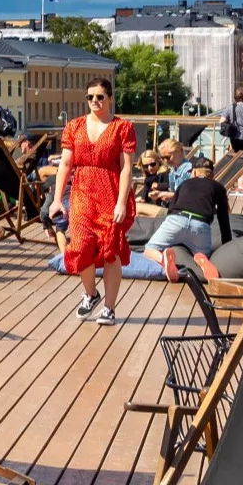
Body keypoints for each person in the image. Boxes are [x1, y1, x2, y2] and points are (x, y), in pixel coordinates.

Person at [50, 80, 136, 325]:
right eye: (90, 97)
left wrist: (121, 202)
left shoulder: (122, 128)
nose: (94, 102)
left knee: (110, 251)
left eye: (99, 97)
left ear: (109, 97)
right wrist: (57, 199)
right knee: (80, 245)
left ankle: (109, 307)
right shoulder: (74, 126)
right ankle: (91, 294)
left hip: (111, 192)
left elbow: (126, 168)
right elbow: (65, 165)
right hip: (82, 192)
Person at [145, 165, 233, 280]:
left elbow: (172, 207)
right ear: (212, 176)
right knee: (204, 254)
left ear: (195, 173)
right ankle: (202, 258)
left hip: (177, 219)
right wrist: (228, 243)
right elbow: (223, 218)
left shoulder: (184, 183)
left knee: (149, 250)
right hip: (200, 224)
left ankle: (163, 259)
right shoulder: (219, 187)